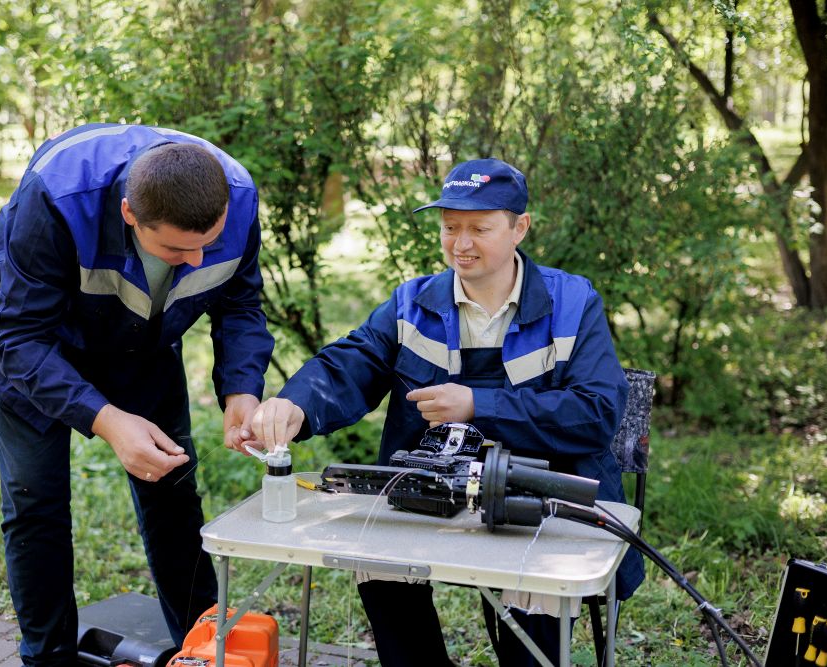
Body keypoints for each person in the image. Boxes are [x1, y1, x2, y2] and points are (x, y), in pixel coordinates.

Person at [246, 158, 644, 666]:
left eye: (480, 227)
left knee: (531, 603)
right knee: (378, 563)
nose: (462, 243)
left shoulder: (572, 303)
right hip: (428, 497)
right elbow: (353, 362)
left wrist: (478, 404)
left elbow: (597, 412)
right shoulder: (412, 303)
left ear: (520, 227)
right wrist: (294, 404)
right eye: (450, 227)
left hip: (539, 500)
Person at [0, 123, 274, 666]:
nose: (194, 262)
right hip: (37, 343)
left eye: (208, 244)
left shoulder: (238, 196)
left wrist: (240, 390)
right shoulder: (56, 198)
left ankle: (206, 650)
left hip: (147, 341)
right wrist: (107, 420)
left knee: (173, 494)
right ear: (129, 214)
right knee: (35, 504)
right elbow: (16, 339)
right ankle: (48, 659)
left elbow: (239, 304)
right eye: (176, 248)